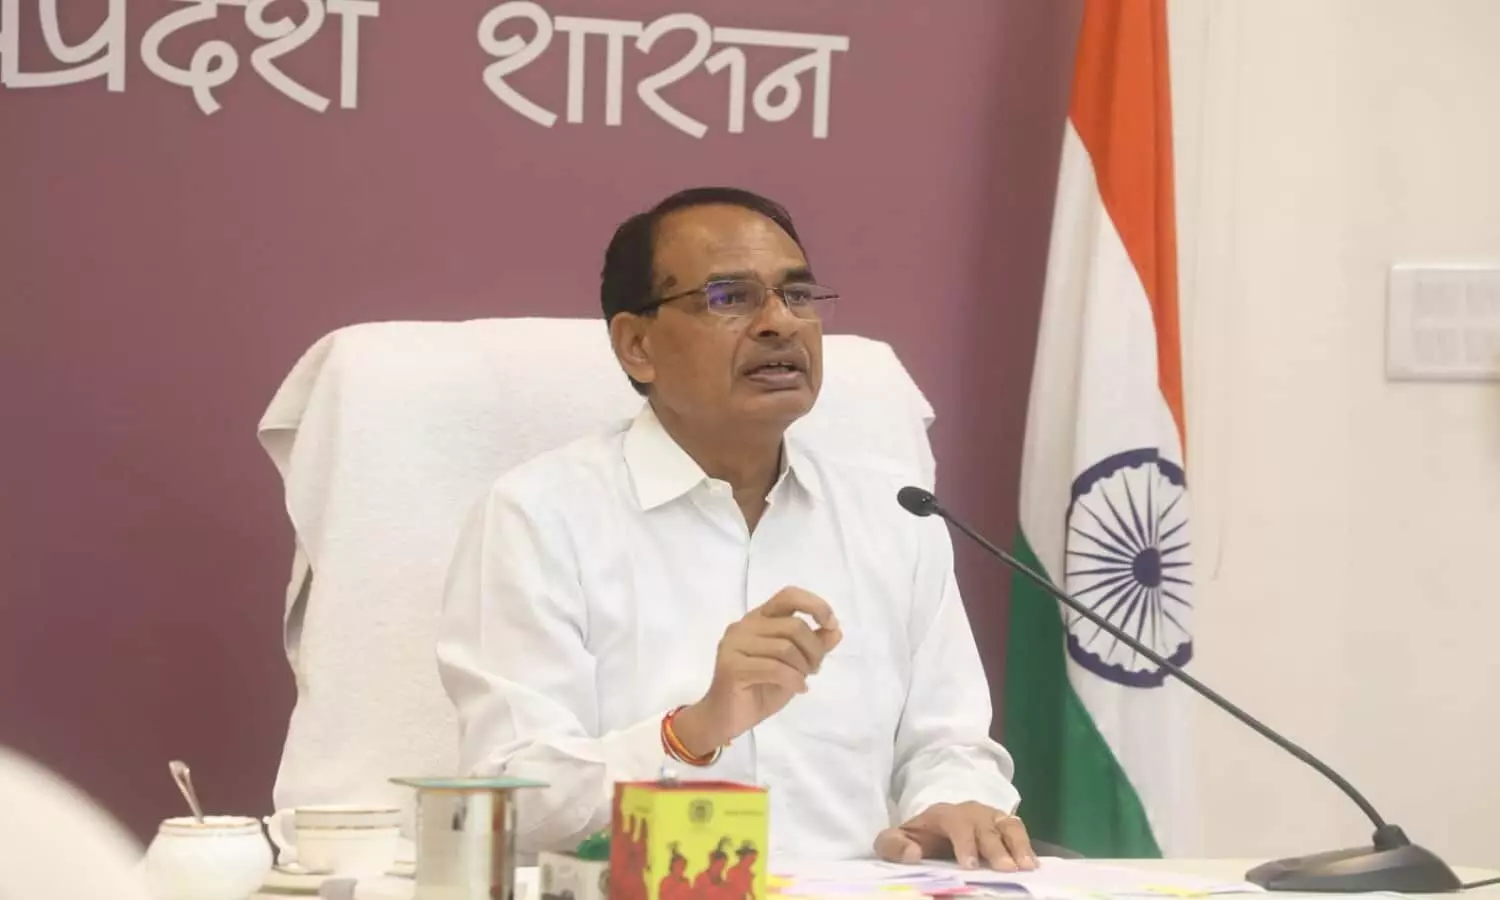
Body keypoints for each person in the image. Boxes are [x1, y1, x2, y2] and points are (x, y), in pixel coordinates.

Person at [437, 186, 1036, 869]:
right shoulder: (539, 517)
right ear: (637, 345)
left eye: (798, 295)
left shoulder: (895, 515)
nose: (780, 323)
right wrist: (692, 733)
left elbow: (950, 743)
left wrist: (953, 804)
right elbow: (512, 796)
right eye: (730, 298)